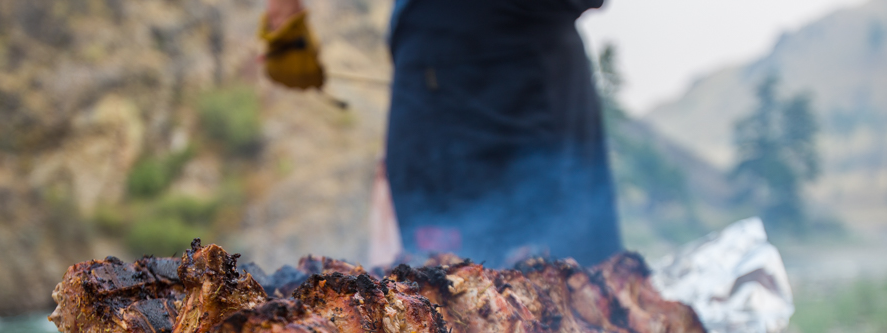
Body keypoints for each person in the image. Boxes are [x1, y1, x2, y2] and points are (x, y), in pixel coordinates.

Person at [261, 0, 621, 268]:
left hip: (545, 43)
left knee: (586, 281)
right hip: (460, 40)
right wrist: (285, 15)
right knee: (463, 282)